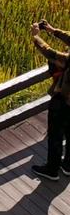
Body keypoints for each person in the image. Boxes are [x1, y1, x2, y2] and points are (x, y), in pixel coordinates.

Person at [30, 20, 70, 180]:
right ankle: (68, 165)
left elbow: (51, 54)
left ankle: (52, 170)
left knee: (55, 134)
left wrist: (36, 37)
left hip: (63, 100)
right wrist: (53, 30)